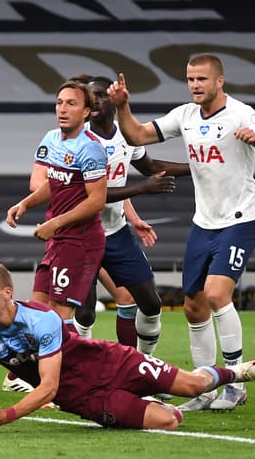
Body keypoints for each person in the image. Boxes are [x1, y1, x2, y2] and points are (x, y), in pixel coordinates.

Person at [109, 53, 255, 412]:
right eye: (190, 79)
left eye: (202, 79)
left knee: (217, 295)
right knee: (193, 305)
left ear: (220, 81)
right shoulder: (184, 115)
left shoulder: (241, 113)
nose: (195, 85)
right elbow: (137, 134)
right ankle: (205, 388)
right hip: (204, 222)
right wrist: (123, 107)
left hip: (239, 219)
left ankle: (234, 384)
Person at [0, 262, 255, 433]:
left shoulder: (41, 318)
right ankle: (147, 404)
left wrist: (9, 414)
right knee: (169, 421)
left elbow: (48, 387)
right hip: (87, 399)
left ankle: (238, 372)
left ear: (7, 293)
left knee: (193, 385)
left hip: (112, 362)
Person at [72, 74, 189, 352]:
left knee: (150, 303)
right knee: (84, 312)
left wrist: (196, 166)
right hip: (80, 234)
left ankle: (141, 366)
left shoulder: (128, 136)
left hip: (115, 233)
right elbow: (91, 196)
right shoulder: (79, 139)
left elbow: (149, 166)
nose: (95, 100)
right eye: (91, 96)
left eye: (101, 94)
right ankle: (71, 375)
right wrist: (142, 189)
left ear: (114, 99)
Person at [6, 80, 108, 323]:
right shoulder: (52, 139)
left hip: (80, 240)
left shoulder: (91, 148)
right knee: (37, 312)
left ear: (86, 112)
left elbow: (97, 201)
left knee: (58, 318)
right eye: (60, 103)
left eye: (71, 104)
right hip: (58, 240)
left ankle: (73, 361)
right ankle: (51, 361)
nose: (63, 109)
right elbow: (54, 183)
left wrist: (55, 223)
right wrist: (26, 204)